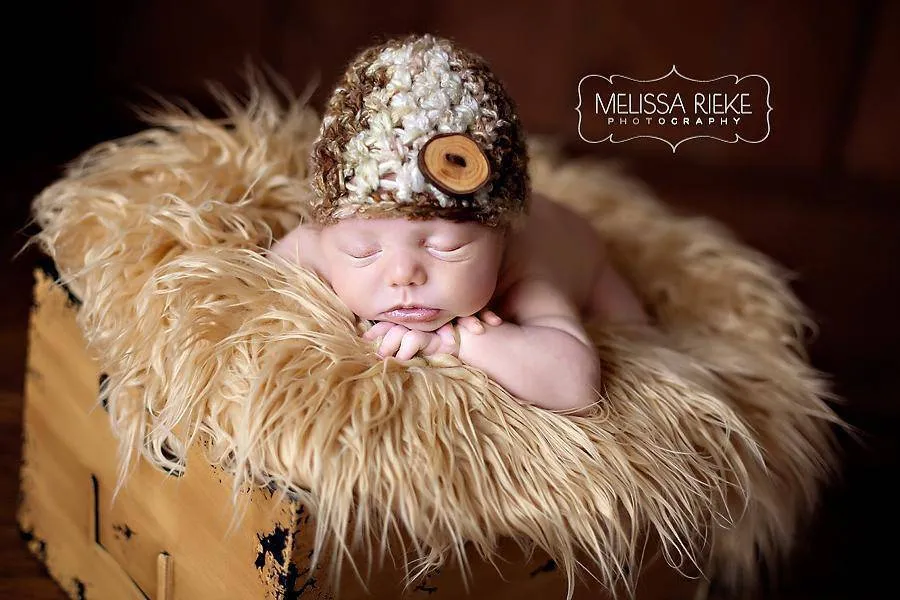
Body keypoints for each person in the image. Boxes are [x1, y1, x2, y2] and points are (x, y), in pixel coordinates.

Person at [269, 33, 649, 415]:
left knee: (637, 337)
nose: (404, 274)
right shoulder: (322, 239)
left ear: (502, 237)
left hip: (583, 249)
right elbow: (267, 279)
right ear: (325, 234)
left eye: (445, 247)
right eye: (363, 252)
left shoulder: (523, 270)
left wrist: (460, 342)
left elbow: (576, 386)